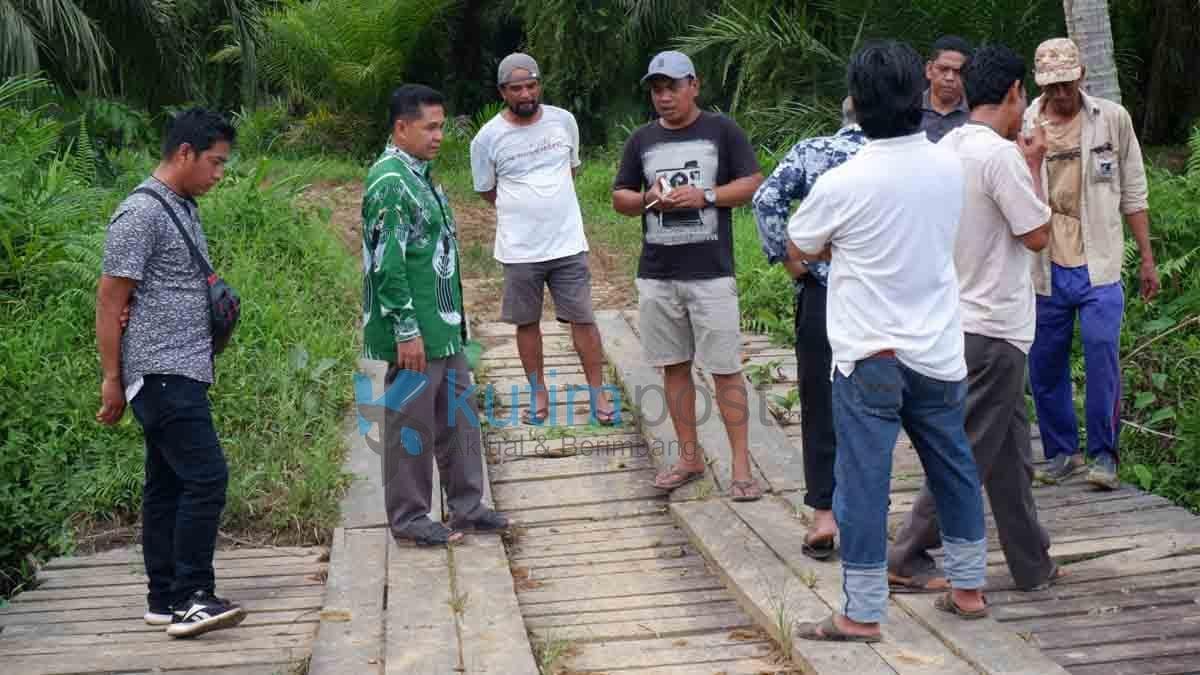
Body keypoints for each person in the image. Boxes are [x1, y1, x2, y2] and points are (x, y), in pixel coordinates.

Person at [787, 41, 988, 642]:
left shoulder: (844, 181)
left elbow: (802, 242)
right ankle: (970, 589)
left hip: (869, 354)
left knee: (865, 483)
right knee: (954, 468)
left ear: (857, 103)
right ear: (918, 95)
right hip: (937, 349)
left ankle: (861, 613)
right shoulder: (950, 165)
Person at [889, 44, 1064, 594]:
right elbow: (1036, 233)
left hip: (958, 319)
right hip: (994, 327)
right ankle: (907, 552)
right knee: (965, 452)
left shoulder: (947, 148)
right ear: (1015, 94)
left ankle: (1030, 560)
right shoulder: (996, 155)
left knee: (1010, 452)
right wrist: (1034, 166)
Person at [96, 108, 246, 638]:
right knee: (206, 478)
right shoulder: (139, 214)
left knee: (166, 486)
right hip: (161, 372)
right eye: (214, 162)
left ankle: (163, 597)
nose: (219, 173)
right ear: (184, 153)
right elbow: (110, 297)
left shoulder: (180, 205)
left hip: (180, 368)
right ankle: (191, 598)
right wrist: (112, 379)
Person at [612, 51, 765, 501]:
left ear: (694, 85)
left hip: (711, 275)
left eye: (672, 87)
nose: (664, 97)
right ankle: (688, 457)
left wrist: (706, 195)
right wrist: (648, 201)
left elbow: (754, 182)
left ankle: (741, 468)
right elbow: (620, 196)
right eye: (657, 89)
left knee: (725, 369)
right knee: (673, 368)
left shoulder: (722, 131)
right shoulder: (641, 140)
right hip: (658, 274)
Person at [362, 84, 508, 546]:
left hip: (444, 328)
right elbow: (388, 264)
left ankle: (467, 507)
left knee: (458, 417)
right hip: (416, 330)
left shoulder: (420, 175)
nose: (439, 135)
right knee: (410, 422)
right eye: (430, 126)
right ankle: (409, 518)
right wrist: (406, 330)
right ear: (401, 128)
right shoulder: (390, 182)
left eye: (442, 126)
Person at [1025, 38, 1158, 489]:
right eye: (1052, 86)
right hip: (1044, 262)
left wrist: (1147, 258)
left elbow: (1134, 190)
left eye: (1066, 83)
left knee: (1102, 355)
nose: (1060, 93)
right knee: (1044, 363)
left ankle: (1104, 455)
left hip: (1098, 258)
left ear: (1081, 76)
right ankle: (1063, 452)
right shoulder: (1026, 121)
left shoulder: (1111, 119)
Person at [470, 53, 617, 426]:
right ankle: (538, 392)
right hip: (520, 250)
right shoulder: (486, 138)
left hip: (568, 243)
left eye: (531, 85)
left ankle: (598, 392)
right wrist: (524, 208)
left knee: (583, 319)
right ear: (503, 91)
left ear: (540, 86)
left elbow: (572, 170)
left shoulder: (562, 122)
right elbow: (488, 191)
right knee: (527, 322)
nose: (525, 94)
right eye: (516, 88)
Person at [751, 97, 865, 559]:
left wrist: (790, 260)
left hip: (823, 295)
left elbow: (766, 198)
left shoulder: (812, 152)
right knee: (890, 402)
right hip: (885, 299)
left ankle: (823, 514)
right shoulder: (903, 155)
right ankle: (875, 512)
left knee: (820, 400)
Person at [921, 35, 972, 142]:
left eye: (958, 72)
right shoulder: (909, 110)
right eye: (943, 69)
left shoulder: (975, 116)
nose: (950, 78)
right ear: (929, 69)